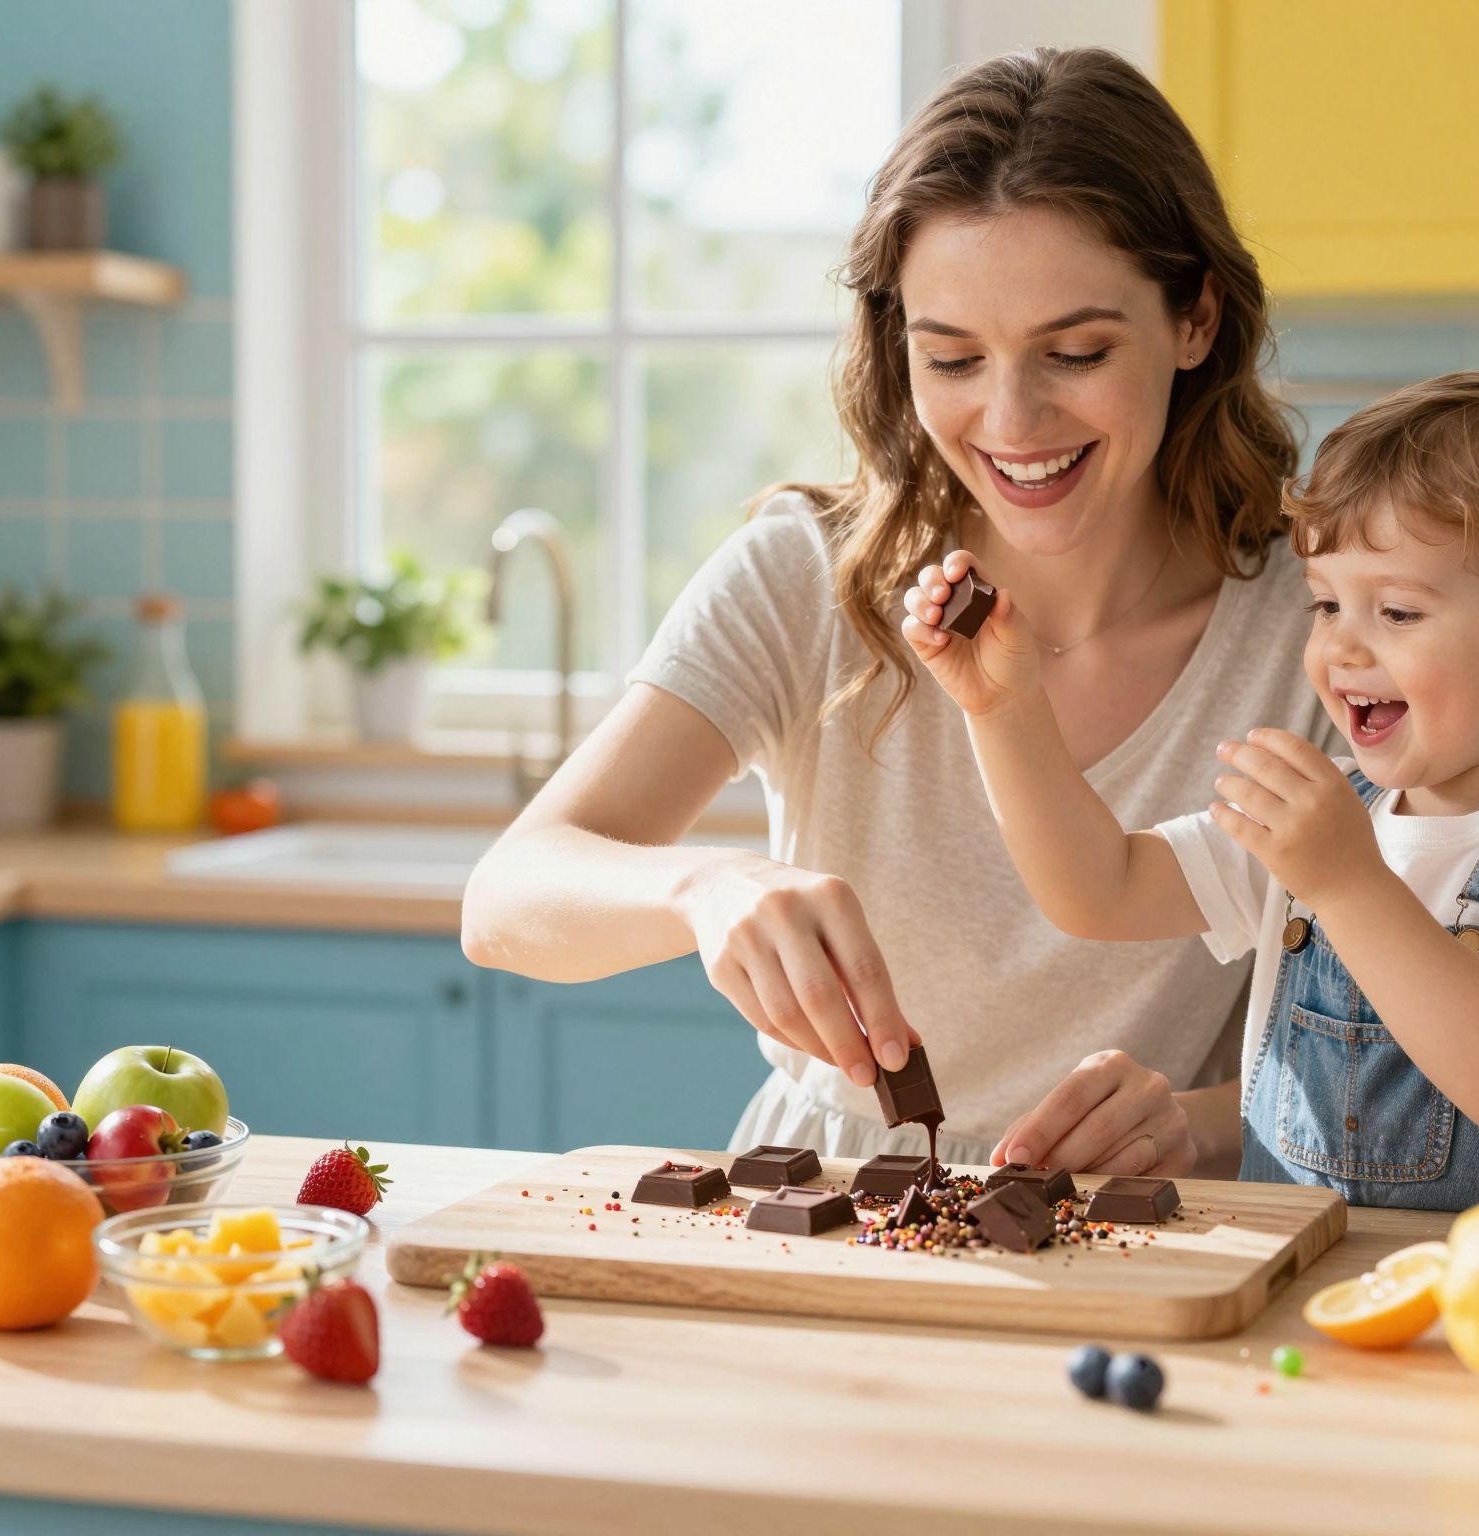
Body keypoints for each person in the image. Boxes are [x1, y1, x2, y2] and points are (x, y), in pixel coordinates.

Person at [461, 47, 1338, 1173]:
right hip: (824, 1200)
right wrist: (704, 887)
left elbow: (1397, 1036)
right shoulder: (806, 578)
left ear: (1195, 321)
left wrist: (1201, 1118)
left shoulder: (1318, 628)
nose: (1011, 418)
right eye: (953, 357)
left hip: (1153, 1229)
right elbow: (506, 899)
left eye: (1075, 352)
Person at [901, 371, 1479, 1207]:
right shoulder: (1322, 821)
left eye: (1397, 613)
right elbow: (1099, 889)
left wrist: (1347, 883)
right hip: (1294, 1292)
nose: (1342, 650)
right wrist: (1003, 708)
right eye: (1324, 606)